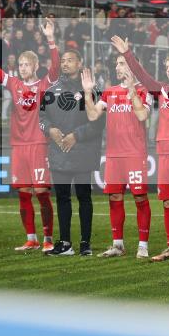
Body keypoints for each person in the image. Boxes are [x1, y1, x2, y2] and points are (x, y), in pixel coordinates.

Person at [0, 18, 60, 253]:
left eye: (26, 64)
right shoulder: (13, 84)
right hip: (19, 146)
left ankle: (48, 238)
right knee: (24, 194)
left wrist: (51, 40)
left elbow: (55, 67)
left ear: (35, 66)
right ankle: (31, 238)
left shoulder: (44, 85)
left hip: (39, 144)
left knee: (41, 193)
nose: (22, 68)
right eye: (21, 64)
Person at [117, 28, 169, 262]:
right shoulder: (162, 90)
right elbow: (142, 76)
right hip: (164, 151)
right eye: (166, 66)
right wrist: (128, 53)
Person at [80, 56, 152, 259]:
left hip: (134, 154)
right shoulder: (109, 91)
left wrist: (131, 90)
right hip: (113, 155)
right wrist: (87, 93)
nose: (117, 66)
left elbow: (142, 116)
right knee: (114, 198)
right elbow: (92, 115)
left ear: (133, 66)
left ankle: (143, 245)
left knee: (140, 198)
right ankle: (117, 245)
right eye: (117, 63)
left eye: (122, 63)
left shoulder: (144, 91)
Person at [38, 47, 105, 257]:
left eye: (70, 60)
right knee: (62, 198)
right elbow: (41, 118)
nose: (65, 63)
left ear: (79, 63)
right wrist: (50, 129)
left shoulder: (92, 90)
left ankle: (85, 243)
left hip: (83, 152)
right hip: (59, 153)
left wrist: (76, 135)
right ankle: (65, 243)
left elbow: (98, 124)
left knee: (84, 197)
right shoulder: (51, 91)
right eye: (63, 60)